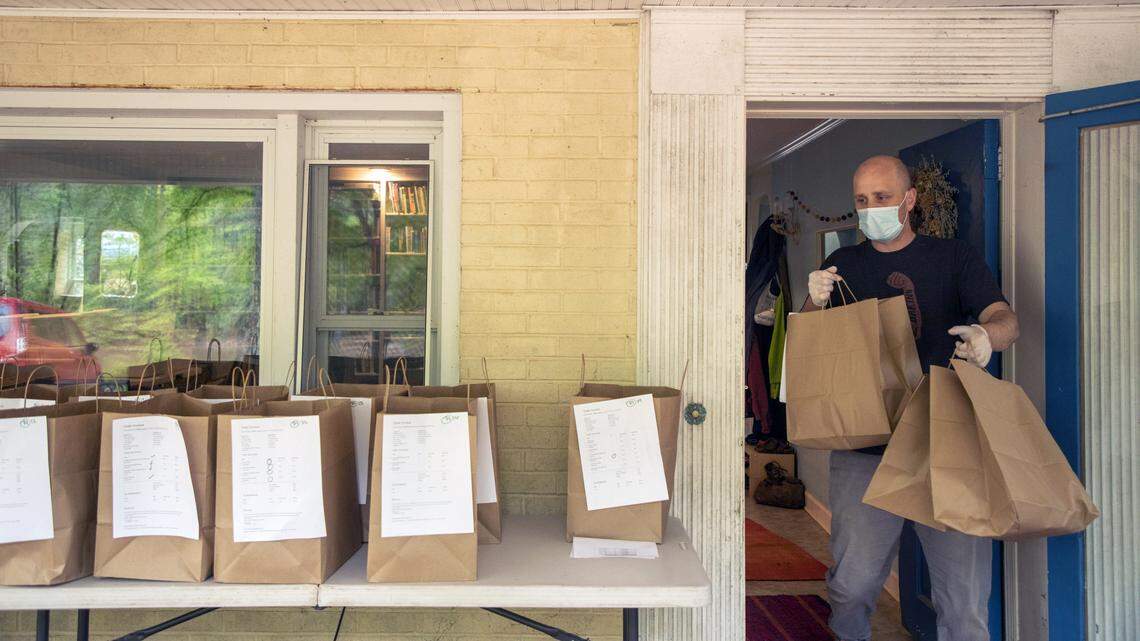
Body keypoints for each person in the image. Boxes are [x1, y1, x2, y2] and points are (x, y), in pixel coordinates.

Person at [803, 155, 1019, 641]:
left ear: (909, 200)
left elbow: (1006, 318)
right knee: (852, 585)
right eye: (861, 200)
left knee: (962, 600)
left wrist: (987, 336)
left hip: (948, 444)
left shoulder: (953, 258)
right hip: (866, 445)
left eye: (881, 198)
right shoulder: (843, 265)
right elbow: (811, 347)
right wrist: (811, 301)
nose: (870, 208)